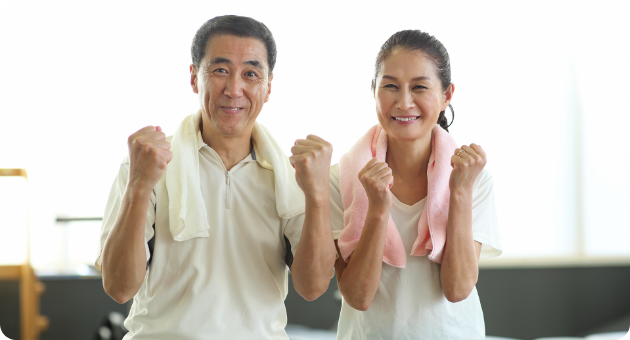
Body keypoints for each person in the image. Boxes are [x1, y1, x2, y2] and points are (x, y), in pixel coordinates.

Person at [95, 15, 337, 339]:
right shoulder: (146, 165)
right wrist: (139, 186)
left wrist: (318, 195)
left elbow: (313, 287)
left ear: (268, 87)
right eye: (220, 70)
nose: (234, 89)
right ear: (194, 78)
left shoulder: (293, 175)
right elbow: (119, 287)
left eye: (250, 74)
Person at [329, 30, 502, 339]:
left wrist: (459, 192)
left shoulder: (475, 178)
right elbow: (358, 296)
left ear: (447, 95)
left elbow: (458, 287)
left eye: (419, 87)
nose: (404, 102)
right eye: (390, 86)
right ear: (374, 91)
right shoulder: (341, 177)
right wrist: (378, 210)